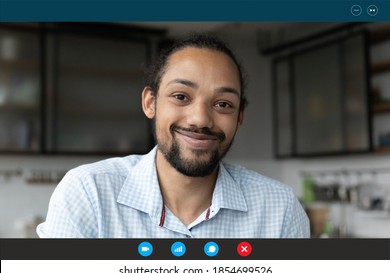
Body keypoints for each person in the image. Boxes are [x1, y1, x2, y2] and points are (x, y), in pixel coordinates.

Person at [37, 33, 310, 238]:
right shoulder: (89, 193)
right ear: (150, 103)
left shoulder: (280, 209)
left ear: (239, 117)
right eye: (181, 96)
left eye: (223, 104)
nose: (201, 119)